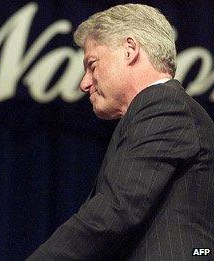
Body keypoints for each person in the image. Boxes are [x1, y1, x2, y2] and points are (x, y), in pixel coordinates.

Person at [28, 4, 214, 260]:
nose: (84, 83)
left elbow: (115, 210)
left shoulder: (163, 105)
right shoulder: (157, 110)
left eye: (92, 65)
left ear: (130, 50)